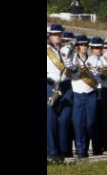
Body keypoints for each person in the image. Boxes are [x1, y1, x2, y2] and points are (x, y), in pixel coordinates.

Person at [68, 35, 99, 159]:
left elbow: (98, 75)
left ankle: (85, 146)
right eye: (81, 45)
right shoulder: (73, 58)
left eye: (86, 45)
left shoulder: (93, 59)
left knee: (90, 123)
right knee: (78, 123)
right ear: (77, 47)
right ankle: (81, 150)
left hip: (91, 93)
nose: (84, 47)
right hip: (77, 94)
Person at [47, 24, 73, 164]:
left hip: (66, 86)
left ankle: (62, 150)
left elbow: (76, 72)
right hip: (50, 84)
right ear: (50, 36)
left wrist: (73, 67)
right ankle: (52, 152)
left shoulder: (66, 50)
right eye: (55, 34)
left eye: (59, 34)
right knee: (51, 120)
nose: (57, 36)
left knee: (64, 119)